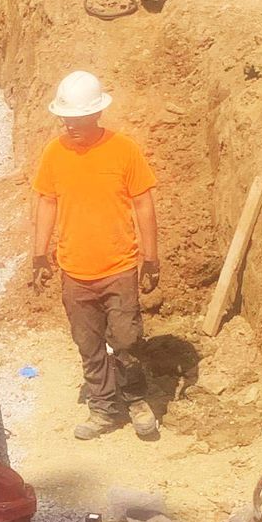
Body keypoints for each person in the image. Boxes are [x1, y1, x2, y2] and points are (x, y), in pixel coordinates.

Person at [32, 70, 161, 443]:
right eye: (66, 118)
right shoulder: (54, 153)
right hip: (75, 272)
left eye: (78, 118)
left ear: (97, 114)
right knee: (88, 344)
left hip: (119, 268)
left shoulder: (123, 150)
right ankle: (103, 408)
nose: (70, 125)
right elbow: (46, 201)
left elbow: (143, 203)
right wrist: (39, 253)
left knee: (127, 340)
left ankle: (135, 400)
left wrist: (150, 257)